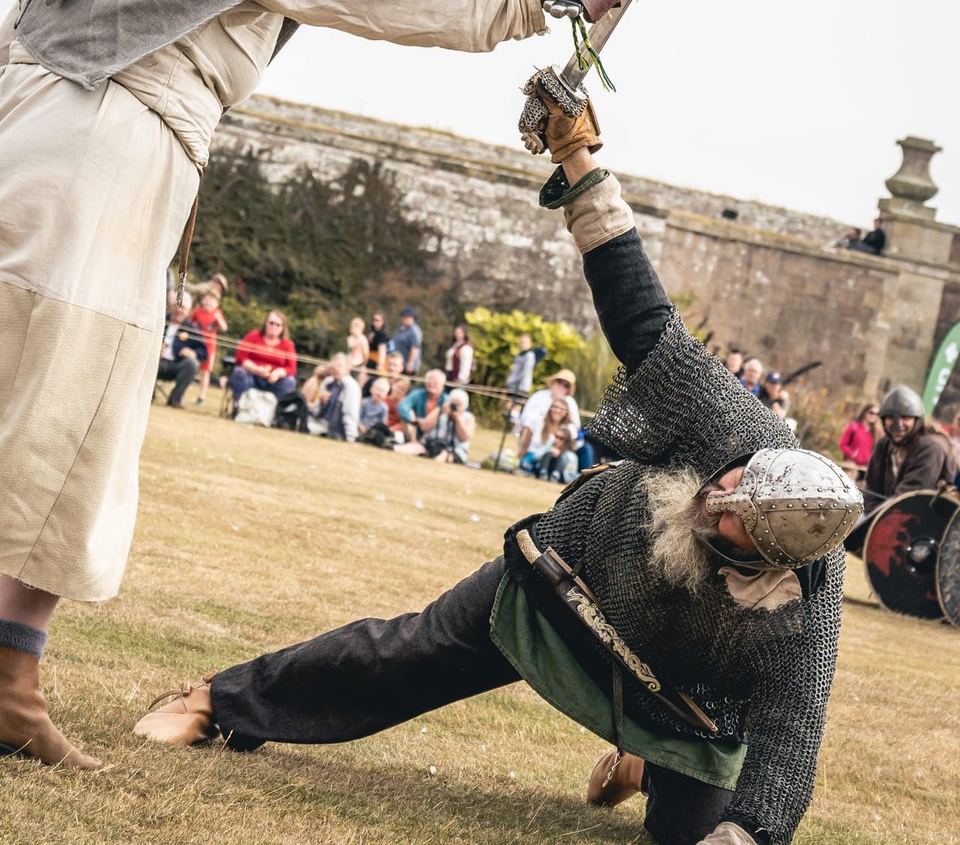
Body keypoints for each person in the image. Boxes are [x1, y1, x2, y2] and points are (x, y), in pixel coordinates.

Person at [0, 0, 625, 768]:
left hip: (22, 131)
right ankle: (7, 680)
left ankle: (7, 677)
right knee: (68, 425)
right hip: (103, 166)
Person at [133, 86, 862, 845]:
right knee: (408, 652)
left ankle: (646, 757)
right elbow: (639, 309)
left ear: (778, 566)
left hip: (681, 698)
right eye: (734, 485)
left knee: (696, 833)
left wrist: (744, 838)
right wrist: (579, 163)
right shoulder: (728, 421)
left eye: (737, 526)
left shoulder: (801, 611)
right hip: (569, 580)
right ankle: (215, 700)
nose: (719, 503)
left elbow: (790, 740)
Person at [860, 385, 954, 515]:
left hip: (927, 523)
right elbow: (871, 491)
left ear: (917, 420)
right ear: (883, 419)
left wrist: (876, 519)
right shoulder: (884, 444)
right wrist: (870, 519)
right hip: (887, 518)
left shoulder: (931, 448)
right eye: (891, 418)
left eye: (905, 417)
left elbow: (908, 498)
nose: (898, 425)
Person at [228, 311, 298, 409]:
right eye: (271, 323)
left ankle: (279, 412)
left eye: (278, 325)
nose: (274, 326)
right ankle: (237, 405)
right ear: (265, 323)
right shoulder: (253, 336)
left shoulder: (288, 345)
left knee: (290, 381)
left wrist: (278, 373)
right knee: (239, 371)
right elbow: (240, 357)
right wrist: (255, 369)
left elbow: (292, 368)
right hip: (252, 377)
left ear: (282, 328)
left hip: (274, 381)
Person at [157, 294, 207, 409]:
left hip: (176, 365)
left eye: (182, 307)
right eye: (176, 306)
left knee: (191, 363)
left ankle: (175, 399)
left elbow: (203, 351)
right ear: (170, 306)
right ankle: (148, 395)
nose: (178, 310)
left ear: (188, 311)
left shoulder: (192, 329)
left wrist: (193, 353)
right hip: (157, 362)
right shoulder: (160, 321)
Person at [301, 353, 362, 442]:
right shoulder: (327, 382)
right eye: (334, 366)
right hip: (320, 422)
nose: (336, 369)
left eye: (339, 366)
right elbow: (316, 410)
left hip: (337, 430)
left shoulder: (351, 386)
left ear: (348, 369)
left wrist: (351, 437)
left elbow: (350, 413)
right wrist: (321, 402)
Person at [410, 388, 476, 464]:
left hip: (454, 451)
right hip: (433, 445)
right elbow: (424, 427)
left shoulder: (468, 417)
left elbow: (464, 437)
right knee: (415, 448)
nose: (455, 407)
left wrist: (457, 419)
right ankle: (393, 447)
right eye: (453, 403)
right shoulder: (441, 411)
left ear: (465, 406)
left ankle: (433, 465)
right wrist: (439, 411)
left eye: (459, 404)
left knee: (444, 455)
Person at [519, 396, 576, 475]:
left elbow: (571, 449)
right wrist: (520, 458)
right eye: (555, 407)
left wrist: (559, 452)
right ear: (550, 408)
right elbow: (524, 444)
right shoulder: (537, 421)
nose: (557, 410)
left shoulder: (569, 428)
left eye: (562, 409)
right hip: (534, 457)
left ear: (566, 412)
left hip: (555, 461)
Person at [190, 286, 228, 403]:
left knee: (205, 372)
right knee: (192, 366)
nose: (208, 302)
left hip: (209, 347)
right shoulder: (197, 311)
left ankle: (201, 396)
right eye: (206, 299)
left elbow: (224, 328)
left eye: (211, 300)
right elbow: (190, 324)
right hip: (196, 344)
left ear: (216, 303)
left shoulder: (217, 313)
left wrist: (219, 320)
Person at [396, 369, 448, 443]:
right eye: (430, 381)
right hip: (417, 430)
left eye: (435, 382)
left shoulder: (446, 400)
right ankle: (413, 442)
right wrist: (413, 420)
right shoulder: (418, 394)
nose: (432, 384)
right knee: (409, 413)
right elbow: (402, 406)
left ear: (442, 385)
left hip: (436, 433)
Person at [837, 404, 880, 483]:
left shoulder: (877, 432)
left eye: (877, 414)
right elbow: (842, 444)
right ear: (865, 413)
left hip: (866, 470)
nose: (874, 416)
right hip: (852, 468)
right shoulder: (854, 427)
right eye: (871, 413)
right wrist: (852, 454)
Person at [392, 307, 423, 376]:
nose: (406, 319)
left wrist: (410, 363)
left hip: (407, 365)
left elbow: (415, 347)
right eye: (404, 317)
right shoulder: (400, 330)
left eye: (408, 317)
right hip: (398, 364)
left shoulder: (414, 330)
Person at [364, 312, 390, 378]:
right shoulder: (372, 333)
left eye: (378, 320)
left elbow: (382, 349)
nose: (375, 322)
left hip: (376, 360)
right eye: (374, 320)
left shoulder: (381, 334)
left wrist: (380, 364)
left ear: (383, 322)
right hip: (370, 359)